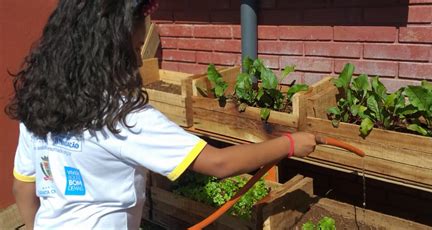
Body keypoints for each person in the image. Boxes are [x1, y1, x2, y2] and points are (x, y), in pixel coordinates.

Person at [6, 0, 316, 229]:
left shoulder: (40, 103)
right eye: (137, 47)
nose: (138, 61)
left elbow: (23, 186)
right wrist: (289, 143)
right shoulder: (123, 116)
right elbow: (218, 163)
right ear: (113, 49)